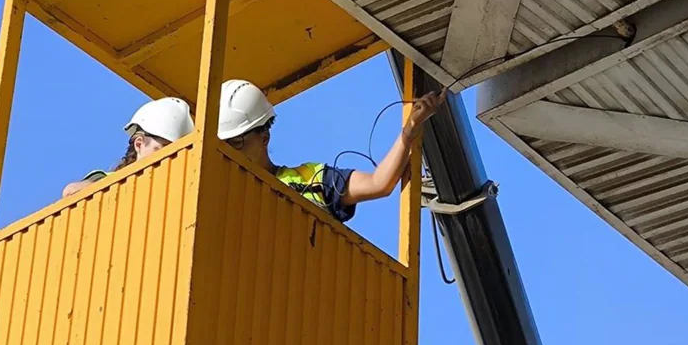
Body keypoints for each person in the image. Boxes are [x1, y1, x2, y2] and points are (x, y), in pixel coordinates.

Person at [216, 79, 442, 222]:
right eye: (223, 145)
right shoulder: (214, 192)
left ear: (264, 138)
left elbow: (378, 184)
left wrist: (410, 129)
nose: (229, 153)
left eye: (236, 142)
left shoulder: (311, 179)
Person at [62, 97, 194, 198]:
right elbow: (71, 191)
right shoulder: (109, 180)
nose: (170, 158)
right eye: (164, 149)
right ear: (139, 144)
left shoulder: (176, 189)